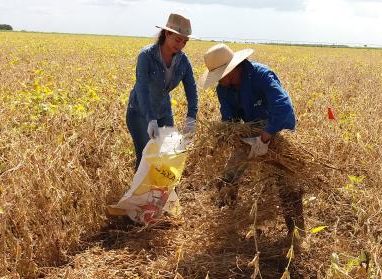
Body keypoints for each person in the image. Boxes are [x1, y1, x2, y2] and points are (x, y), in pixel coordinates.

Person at [199, 43, 305, 249]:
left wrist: (265, 138)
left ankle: (297, 236)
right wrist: (230, 137)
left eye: (220, 75)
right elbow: (229, 119)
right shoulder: (224, 88)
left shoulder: (261, 76)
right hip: (249, 139)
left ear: (231, 69)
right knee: (226, 180)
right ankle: (226, 230)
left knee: (288, 184)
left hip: (274, 134)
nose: (219, 81)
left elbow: (283, 108)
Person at [126, 13, 198, 169]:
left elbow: (191, 88)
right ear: (167, 33)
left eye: (184, 42)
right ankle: (142, 193)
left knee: (168, 155)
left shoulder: (183, 61)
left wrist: (192, 116)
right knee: (146, 156)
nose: (180, 45)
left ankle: (165, 192)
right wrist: (150, 119)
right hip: (140, 112)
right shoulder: (146, 56)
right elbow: (142, 88)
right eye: (177, 39)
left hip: (164, 112)